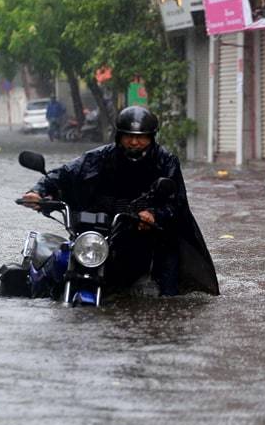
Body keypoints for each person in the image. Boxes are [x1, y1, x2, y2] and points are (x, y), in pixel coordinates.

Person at [20, 105, 219, 296]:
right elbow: (64, 174)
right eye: (128, 136)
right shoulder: (98, 157)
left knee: (168, 295)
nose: (134, 142)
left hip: (150, 236)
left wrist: (153, 214)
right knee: (61, 267)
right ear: (119, 136)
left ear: (151, 138)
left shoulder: (166, 161)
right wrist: (39, 192)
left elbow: (176, 203)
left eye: (140, 138)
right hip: (102, 233)